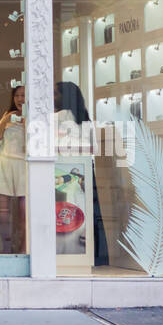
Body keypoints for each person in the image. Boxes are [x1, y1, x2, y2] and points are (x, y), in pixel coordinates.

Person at [54, 80, 109, 266]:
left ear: (64, 97)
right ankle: (96, 255)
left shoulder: (59, 117)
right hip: (85, 171)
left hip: (64, 172)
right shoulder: (84, 118)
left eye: (55, 93)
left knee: (66, 213)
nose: (52, 97)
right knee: (89, 213)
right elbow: (91, 147)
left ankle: (68, 257)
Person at [0, 84, 26, 253]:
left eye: (24, 95)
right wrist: (6, 120)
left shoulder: (36, 120)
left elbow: (31, 147)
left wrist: (27, 123)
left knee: (24, 214)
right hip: (4, 164)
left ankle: (23, 251)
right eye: (17, 96)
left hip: (24, 167)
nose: (20, 99)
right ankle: (5, 248)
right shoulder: (8, 116)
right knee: (3, 214)